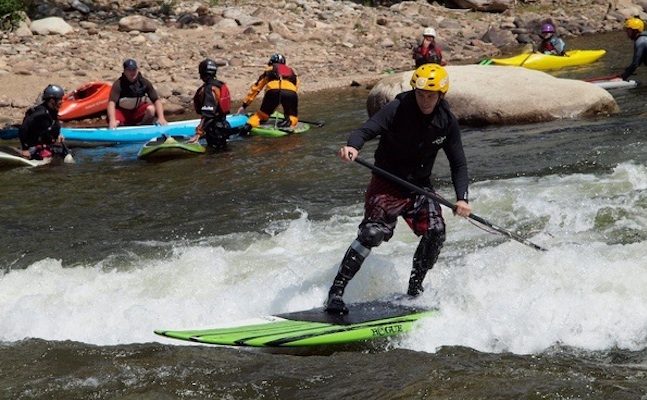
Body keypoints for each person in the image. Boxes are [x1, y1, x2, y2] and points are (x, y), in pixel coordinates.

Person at [324, 64, 471, 314]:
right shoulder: (397, 108)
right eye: (421, 94)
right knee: (371, 234)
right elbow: (365, 130)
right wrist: (353, 146)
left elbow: (458, 162)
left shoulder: (446, 122)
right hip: (388, 182)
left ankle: (414, 290)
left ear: (441, 96)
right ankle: (336, 293)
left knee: (436, 232)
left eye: (431, 96)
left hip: (420, 188)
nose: (425, 100)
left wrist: (462, 198)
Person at [236, 53, 300, 130]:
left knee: (261, 115)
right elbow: (296, 86)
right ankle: (289, 121)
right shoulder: (292, 72)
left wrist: (244, 105)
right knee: (292, 116)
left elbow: (257, 88)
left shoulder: (269, 70)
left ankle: (248, 126)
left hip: (273, 92)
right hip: (291, 93)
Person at [107, 58, 168, 129]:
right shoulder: (118, 84)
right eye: (129, 70)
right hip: (122, 113)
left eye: (134, 70)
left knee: (151, 109)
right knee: (114, 120)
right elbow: (111, 103)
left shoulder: (144, 83)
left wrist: (161, 118)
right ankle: (116, 128)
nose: (132, 72)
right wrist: (112, 120)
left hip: (136, 113)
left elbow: (156, 100)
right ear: (124, 71)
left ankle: (144, 127)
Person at [189, 59, 232, 150]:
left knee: (215, 154)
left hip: (214, 129)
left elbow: (208, 114)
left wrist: (198, 133)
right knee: (223, 151)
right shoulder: (220, 85)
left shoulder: (208, 89)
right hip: (224, 126)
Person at [19, 84, 67, 160]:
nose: (61, 101)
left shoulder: (53, 111)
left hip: (46, 145)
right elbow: (23, 128)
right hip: (33, 147)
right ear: (52, 100)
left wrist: (58, 135)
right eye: (60, 99)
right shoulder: (40, 113)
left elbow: (52, 127)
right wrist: (25, 149)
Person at [619, 17, 647, 81]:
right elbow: (639, 60)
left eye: (628, 30)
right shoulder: (643, 39)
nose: (627, 33)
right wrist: (627, 71)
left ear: (635, 30)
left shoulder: (640, 42)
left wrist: (622, 78)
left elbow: (635, 64)